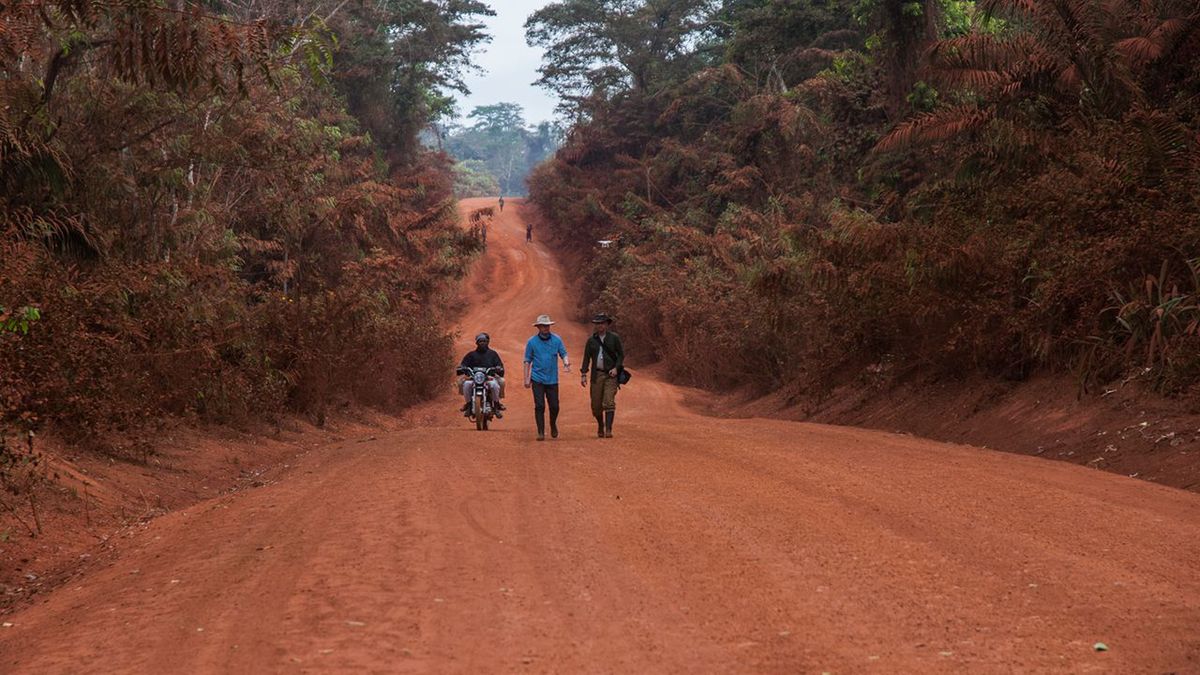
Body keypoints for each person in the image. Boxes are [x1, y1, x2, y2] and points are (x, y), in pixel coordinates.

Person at [523, 315, 570, 441]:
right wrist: (526, 378)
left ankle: (553, 424)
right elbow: (527, 360)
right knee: (539, 405)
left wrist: (566, 363)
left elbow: (563, 353)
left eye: (547, 326)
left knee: (555, 406)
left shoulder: (557, 340)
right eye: (543, 326)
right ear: (538, 327)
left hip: (552, 379)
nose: (545, 328)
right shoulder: (531, 342)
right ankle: (540, 431)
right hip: (537, 378)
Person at [580, 313, 624, 438]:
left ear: (607, 324)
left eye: (602, 323)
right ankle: (601, 424)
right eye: (598, 323)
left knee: (609, 401)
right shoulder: (591, 341)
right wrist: (583, 374)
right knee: (596, 405)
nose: (600, 325)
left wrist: (616, 368)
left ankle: (609, 429)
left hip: (611, 375)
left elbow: (621, 355)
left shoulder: (614, 338)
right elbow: (586, 358)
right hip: (596, 375)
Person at [459, 333, 504, 418]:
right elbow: (463, 364)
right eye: (480, 341)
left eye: (484, 341)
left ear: (487, 342)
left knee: (494, 385)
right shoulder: (471, 355)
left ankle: (496, 405)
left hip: (489, 378)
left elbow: (499, 364)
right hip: (474, 378)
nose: (482, 343)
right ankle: (468, 405)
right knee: (466, 385)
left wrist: (498, 367)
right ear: (476, 343)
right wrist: (463, 367)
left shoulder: (493, 354)